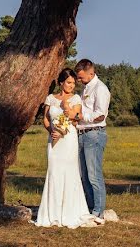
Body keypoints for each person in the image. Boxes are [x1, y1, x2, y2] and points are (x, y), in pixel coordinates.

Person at [31, 68, 98, 228]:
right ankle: (52, 213)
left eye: (74, 83)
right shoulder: (50, 98)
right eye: (68, 82)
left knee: (69, 173)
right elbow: (46, 120)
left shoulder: (75, 98)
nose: (71, 86)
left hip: (68, 140)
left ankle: (69, 212)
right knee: (54, 172)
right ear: (61, 82)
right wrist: (52, 131)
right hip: (54, 142)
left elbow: (74, 120)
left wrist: (65, 107)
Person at [73, 59, 111, 223]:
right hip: (82, 134)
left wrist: (82, 117)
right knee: (84, 174)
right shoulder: (86, 88)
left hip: (94, 134)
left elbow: (101, 114)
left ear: (91, 72)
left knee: (94, 174)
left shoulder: (100, 89)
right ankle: (89, 207)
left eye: (81, 78)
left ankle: (98, 211)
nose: (79, 81)